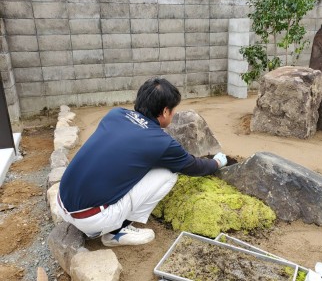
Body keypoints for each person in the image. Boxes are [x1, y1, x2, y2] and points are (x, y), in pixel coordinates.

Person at [56, 77, 227, 247]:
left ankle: (107, 221)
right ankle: (116, 233)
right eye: (173, 110)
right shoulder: (161, 142)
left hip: (62, 200)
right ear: (166, 111)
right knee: (168, 174)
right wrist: (217, 163)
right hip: (90, 218)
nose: (173, 114)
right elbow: (193, 166)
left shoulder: (115, 114)